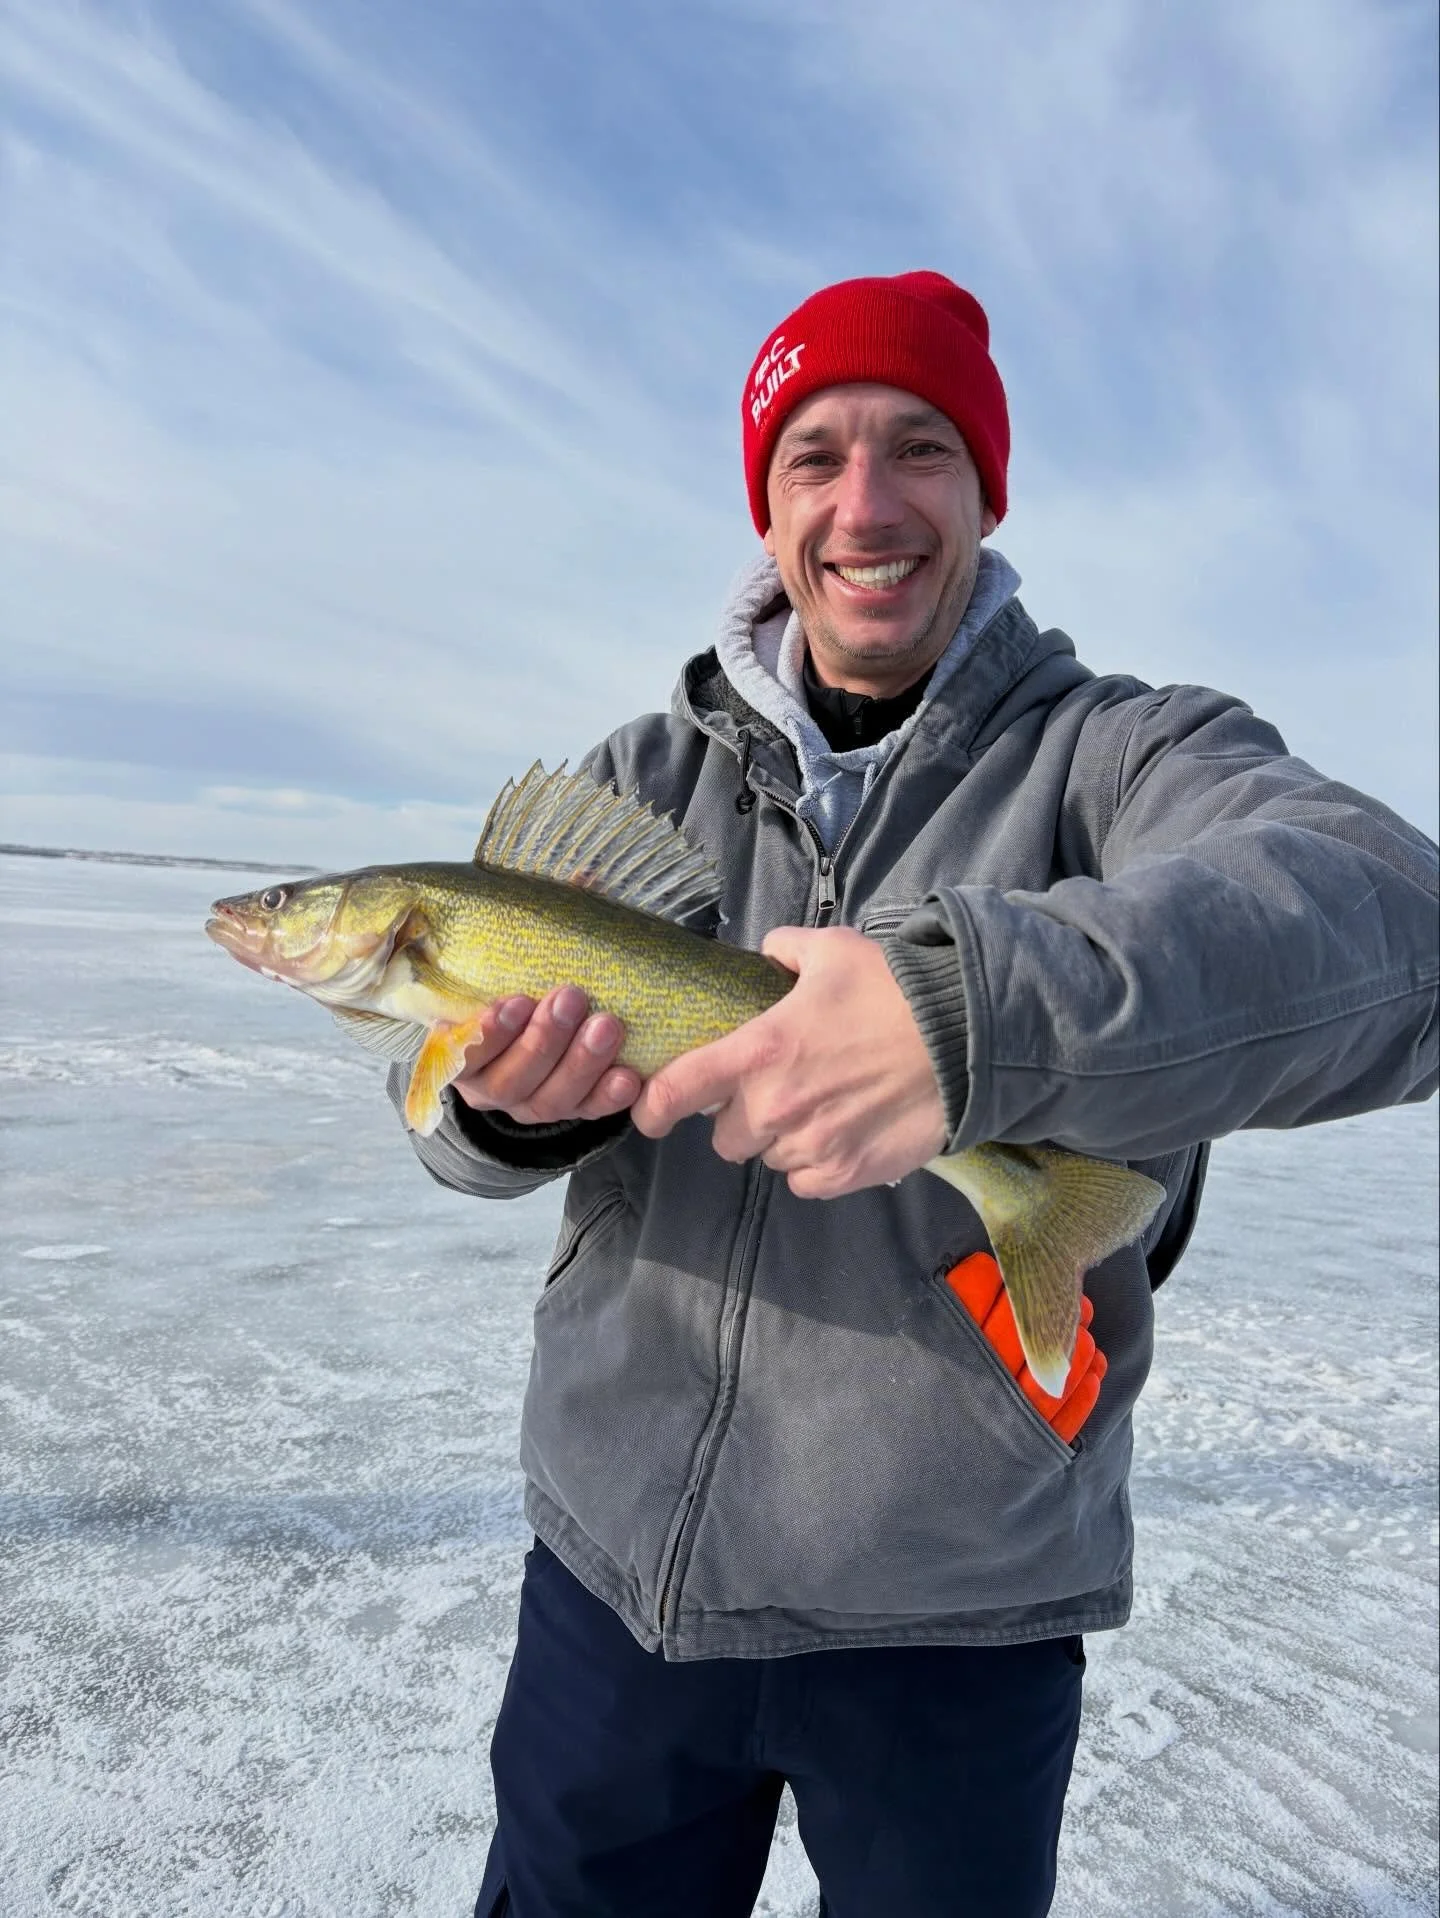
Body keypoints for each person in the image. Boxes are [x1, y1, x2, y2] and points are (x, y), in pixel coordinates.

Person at [391, 272, 1439, 1918]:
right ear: (767, 501)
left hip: (956, 1617)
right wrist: (513, 1113)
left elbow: (1396, 926)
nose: (865, 504)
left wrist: (965, 1015)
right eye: (813, 455)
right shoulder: (634, 779)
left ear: (986, 488)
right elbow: (453, 1125)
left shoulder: (1119, 757)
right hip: (618, 1591)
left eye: (920, 448)